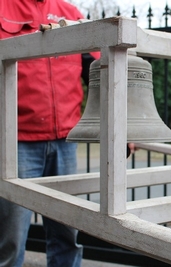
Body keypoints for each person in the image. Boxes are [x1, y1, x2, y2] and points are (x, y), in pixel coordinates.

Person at [0, 0, 99, 266]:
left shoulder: (71, 14)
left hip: (65, 140)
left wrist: (120, 127)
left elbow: (99, 71)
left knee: (67, 232)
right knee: (10, 238)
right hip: (16, 142)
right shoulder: (2, 9)